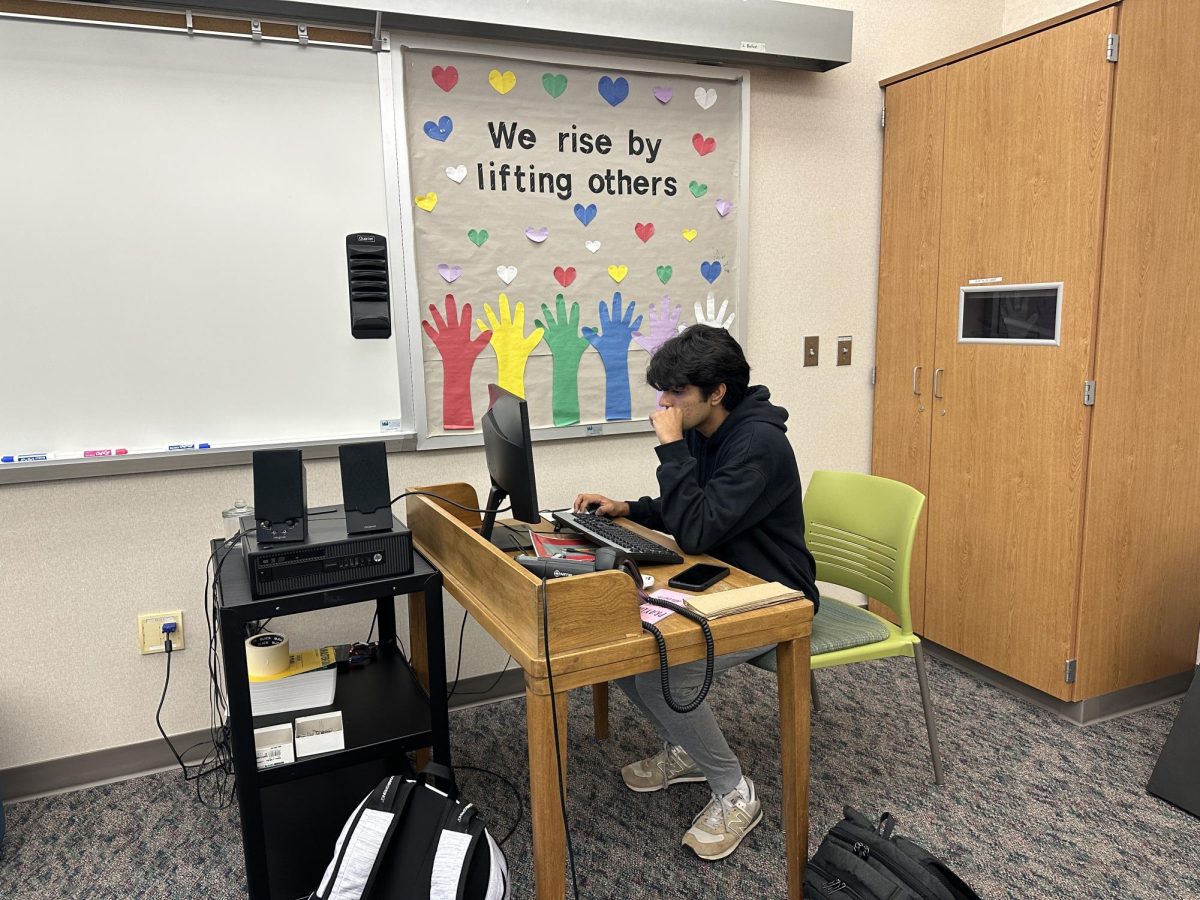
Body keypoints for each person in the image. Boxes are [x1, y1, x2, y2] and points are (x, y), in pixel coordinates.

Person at [574, 324, 819, 861]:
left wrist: (670, 447)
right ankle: (692, 750)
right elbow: (696, 507)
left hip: (778, 593)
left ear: (716, 393)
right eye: (663, 392)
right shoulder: (714, 431)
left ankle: (735, 791)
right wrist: (630, 509)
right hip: (726, 575)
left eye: (676, 393)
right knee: (630, 655)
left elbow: (698, 531)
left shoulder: (758, 443)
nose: (664, 404)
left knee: (663, 674)